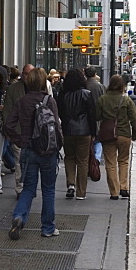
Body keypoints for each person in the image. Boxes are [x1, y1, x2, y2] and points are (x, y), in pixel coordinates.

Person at [7, 67, 64, 239]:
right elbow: (57, 127)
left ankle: (19, 216)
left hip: (29, 149)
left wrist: (20, 140)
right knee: (48, 190)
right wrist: (58, 146)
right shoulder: (49, 101)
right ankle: (48, 228)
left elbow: (9, 124)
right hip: (48, 151)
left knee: (28, 188)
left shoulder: (22, 101)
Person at [95, 74, 136, 199]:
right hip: (124, 134)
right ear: (122, 86)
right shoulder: (126, 100)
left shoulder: (102, 99)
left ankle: (114, 192)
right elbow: (134, 119)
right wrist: (135, 134)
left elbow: (97, 116)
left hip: (108, 135)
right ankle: (124, 187)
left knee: (110, 163)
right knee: (124, 161)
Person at [58, 68, 96, 200]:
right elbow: (92, 115)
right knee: (83, 161)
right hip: (84, 131)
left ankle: (70, 184)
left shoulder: (63, 94)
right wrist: (93, 132)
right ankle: (81, 192)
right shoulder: (87, 94)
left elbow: (60, 113)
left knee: (69, 158)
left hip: (68, 130)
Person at [2, 64, 34, 196]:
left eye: (30, 74)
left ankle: (29, 185)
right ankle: (20, 187)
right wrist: (10, 130)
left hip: (35, 132)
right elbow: (8, 110)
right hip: (19, 131)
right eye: (25, 74)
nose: (27, 77)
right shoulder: (13, 89)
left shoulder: (40, 88)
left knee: (32, 162)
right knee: (19, 161)